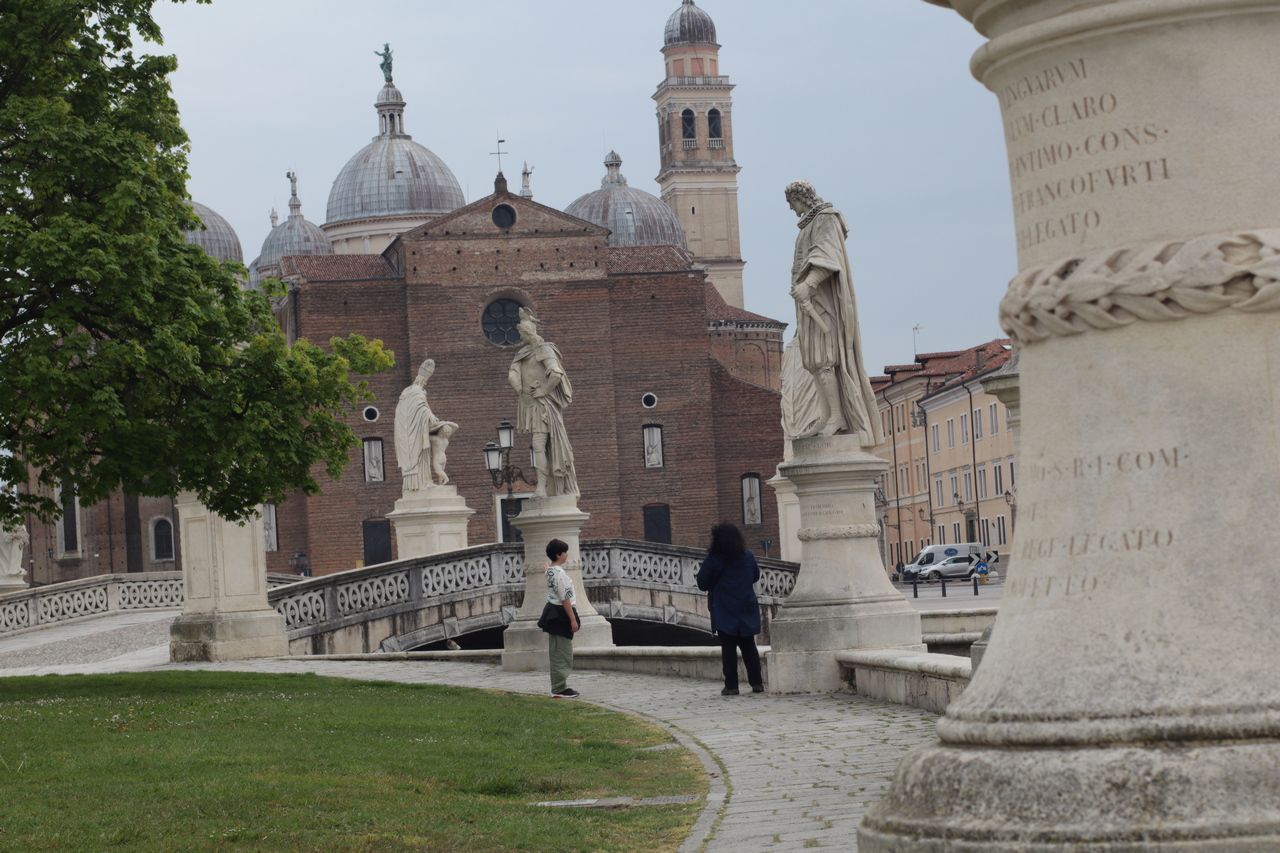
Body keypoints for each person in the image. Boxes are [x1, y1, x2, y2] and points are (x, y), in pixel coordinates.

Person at [785, 180, 883, 444]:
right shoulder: (810, 223)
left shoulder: (826, 218)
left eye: (791, 203)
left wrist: (809, 284)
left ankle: (838, 416)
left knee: (825, 358)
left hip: (823, 303)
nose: (792, 210)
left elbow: (828, 256)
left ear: (800, 198)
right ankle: (828, 414)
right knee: (814, 360)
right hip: (808, 305)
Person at [507, 308, 579, 498]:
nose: (520, 336)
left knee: (539, 445)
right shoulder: (523, 352)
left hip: (543, 406)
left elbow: (555, 373)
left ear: (528, 332)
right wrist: (515, 382)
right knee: (541, 446)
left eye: (521, 333)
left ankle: (542, 487)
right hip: (529, 404)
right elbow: (514, 371)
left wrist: (544, 390)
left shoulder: (544, 349)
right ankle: (546, 486)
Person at [696, 522, 764, 696]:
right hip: (746, 605)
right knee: (749, 646)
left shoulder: (714, 559)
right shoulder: (748, 556)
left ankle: (732, 686)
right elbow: (755, 576)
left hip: (725, 607)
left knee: (728, 648)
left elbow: (702, 583)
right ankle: (757, 683)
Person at [394, 358, 458, 491]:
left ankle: (422, 482)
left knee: (421, 455)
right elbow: (422, 408)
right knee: (421, 456)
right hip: (415, 432)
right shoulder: (417, 392)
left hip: (412, 431)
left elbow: (418, 408)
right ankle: (422, 483)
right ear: (423, 380)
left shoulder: (406, 392)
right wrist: (432, 418)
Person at [536, 538, 580, 698]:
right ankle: (560, 688)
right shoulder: (559, 574)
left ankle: (559, 686)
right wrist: (573, 619)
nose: (567, 555)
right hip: (561, 613)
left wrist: (548, 568)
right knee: (562, 652)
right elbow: (564, 598)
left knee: (557, 650)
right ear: (558, 554)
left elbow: (549, 571)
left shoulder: (551, 571)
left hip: (553, 612)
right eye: (565, 552)